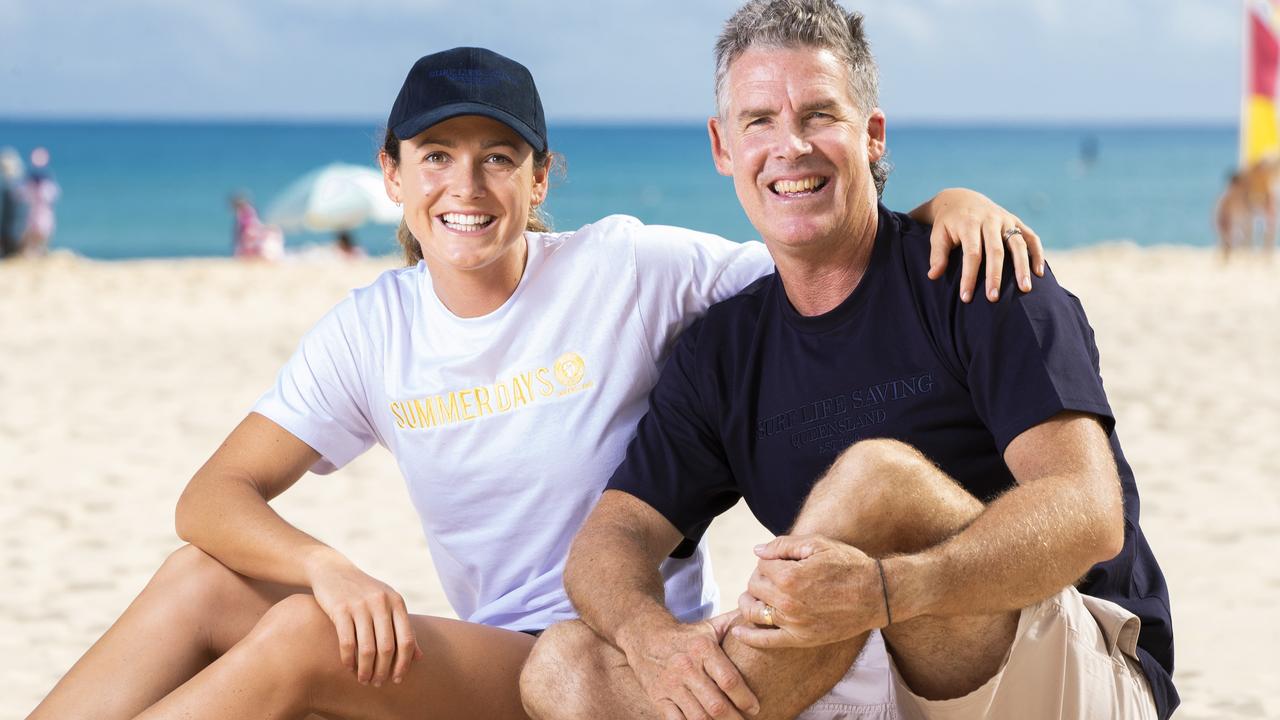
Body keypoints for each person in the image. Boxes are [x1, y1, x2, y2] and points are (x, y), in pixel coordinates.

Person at [25, 47, 1044, 720]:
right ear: (393, 175)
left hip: (584, 658)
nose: (463, 190)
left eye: (496, 159)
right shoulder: (372, 330)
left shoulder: (623, 269)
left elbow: (820, 262)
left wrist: (950, 199)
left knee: (296, 634)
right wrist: (328, 566)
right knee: (195, 580)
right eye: (436, 158)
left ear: (539, 177)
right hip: (471, 649)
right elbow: (210, 500)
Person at [520, 3, 1177, 720]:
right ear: (722, 146)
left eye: (820, 116)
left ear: (872, 135)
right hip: (865, 676)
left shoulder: (976, 273)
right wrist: (652, 642)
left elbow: (1089, 513)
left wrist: (890, 590)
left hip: (1067, 668)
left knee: (878, 481)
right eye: (759, 120)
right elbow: (610, 539)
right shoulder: (723, 350)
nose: (790, 146)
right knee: (561, 664)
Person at [19, 147, 60, 257]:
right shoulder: (33, 181)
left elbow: (52, 196)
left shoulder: (45, 182)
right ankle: (35, 252)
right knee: (35, 234)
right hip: (35, 213)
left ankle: (39, 252)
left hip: (40, 213)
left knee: (41, 234)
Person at [230, 194, 285, 261]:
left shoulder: (247, 213)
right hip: (251, 240)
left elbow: (250, 229)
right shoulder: (246, 213)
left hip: (252, 240)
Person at [1216, 170, 1249, 259]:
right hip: (1224, 220)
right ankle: (1224, 258)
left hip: (1229, 220)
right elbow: (1220, 210)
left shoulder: (1232, 194)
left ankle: (1225, 258)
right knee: (1226, 241)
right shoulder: (1228, 194)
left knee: (1228, 241)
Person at [0, 147, 23, 259]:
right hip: (12, 231)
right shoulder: (17, 187)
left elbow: (8, 214)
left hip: (10, 232)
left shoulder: (9, 189)